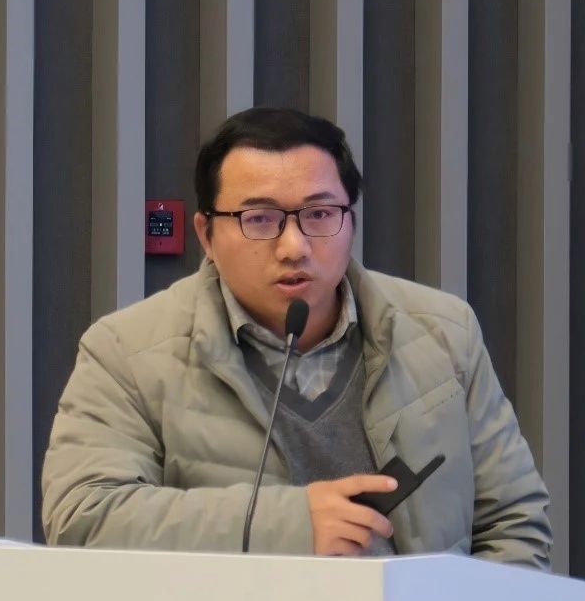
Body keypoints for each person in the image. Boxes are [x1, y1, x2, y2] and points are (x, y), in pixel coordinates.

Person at [41, 107, 551, 566]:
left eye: (319, 214)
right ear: (206, 234)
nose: (294, 246)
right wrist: (291, 525)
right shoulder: (125, 352)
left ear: (350, 222)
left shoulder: (443, 333)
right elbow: (84, 516)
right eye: (259, 219)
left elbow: (514, 525)